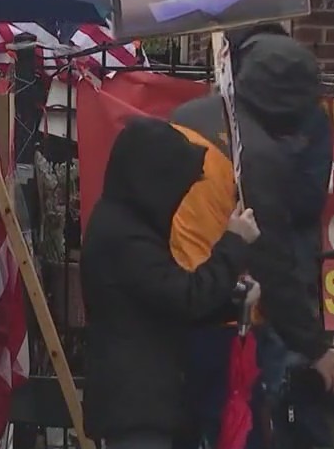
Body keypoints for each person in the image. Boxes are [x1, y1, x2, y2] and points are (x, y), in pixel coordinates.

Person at [168, 32, 334, 448]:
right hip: (221, 318)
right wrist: (316, 349)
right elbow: (271, 261)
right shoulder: (256, 156)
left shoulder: (188, 116)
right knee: (234, 429)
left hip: (167, 305)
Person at [82, 117, 261, 449]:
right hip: (136, 408)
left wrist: (232, 299)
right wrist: (233, 242)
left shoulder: (130, 226)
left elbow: (166, 301)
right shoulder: (125, 236)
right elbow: (184, 297)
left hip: (149, 403)